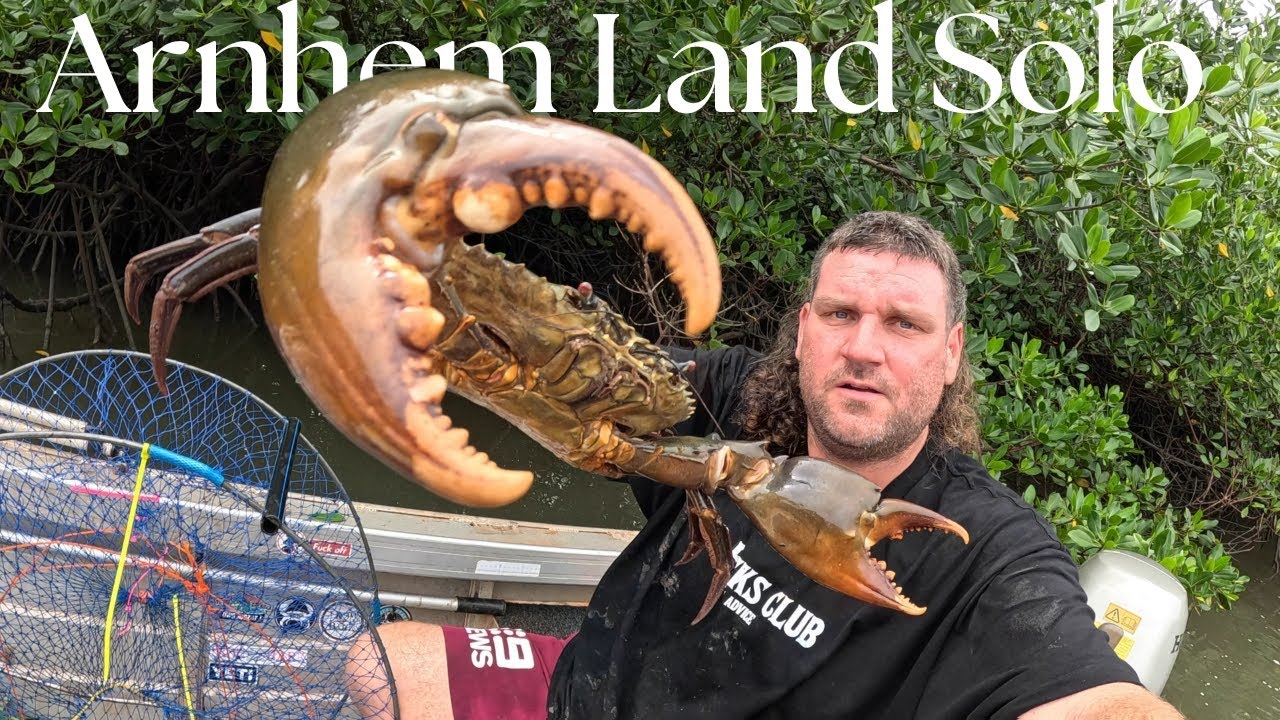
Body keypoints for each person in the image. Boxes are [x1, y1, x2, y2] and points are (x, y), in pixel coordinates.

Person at [346, 211, 1186, 719]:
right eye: (840, 312)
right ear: (805, 325)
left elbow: (1088, 690)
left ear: (952, 353)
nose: (863, 347)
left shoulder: (988, 550)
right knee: (379, 665)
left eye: (903, 324)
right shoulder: (728, 400)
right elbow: (580, 368)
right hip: (580, 691)